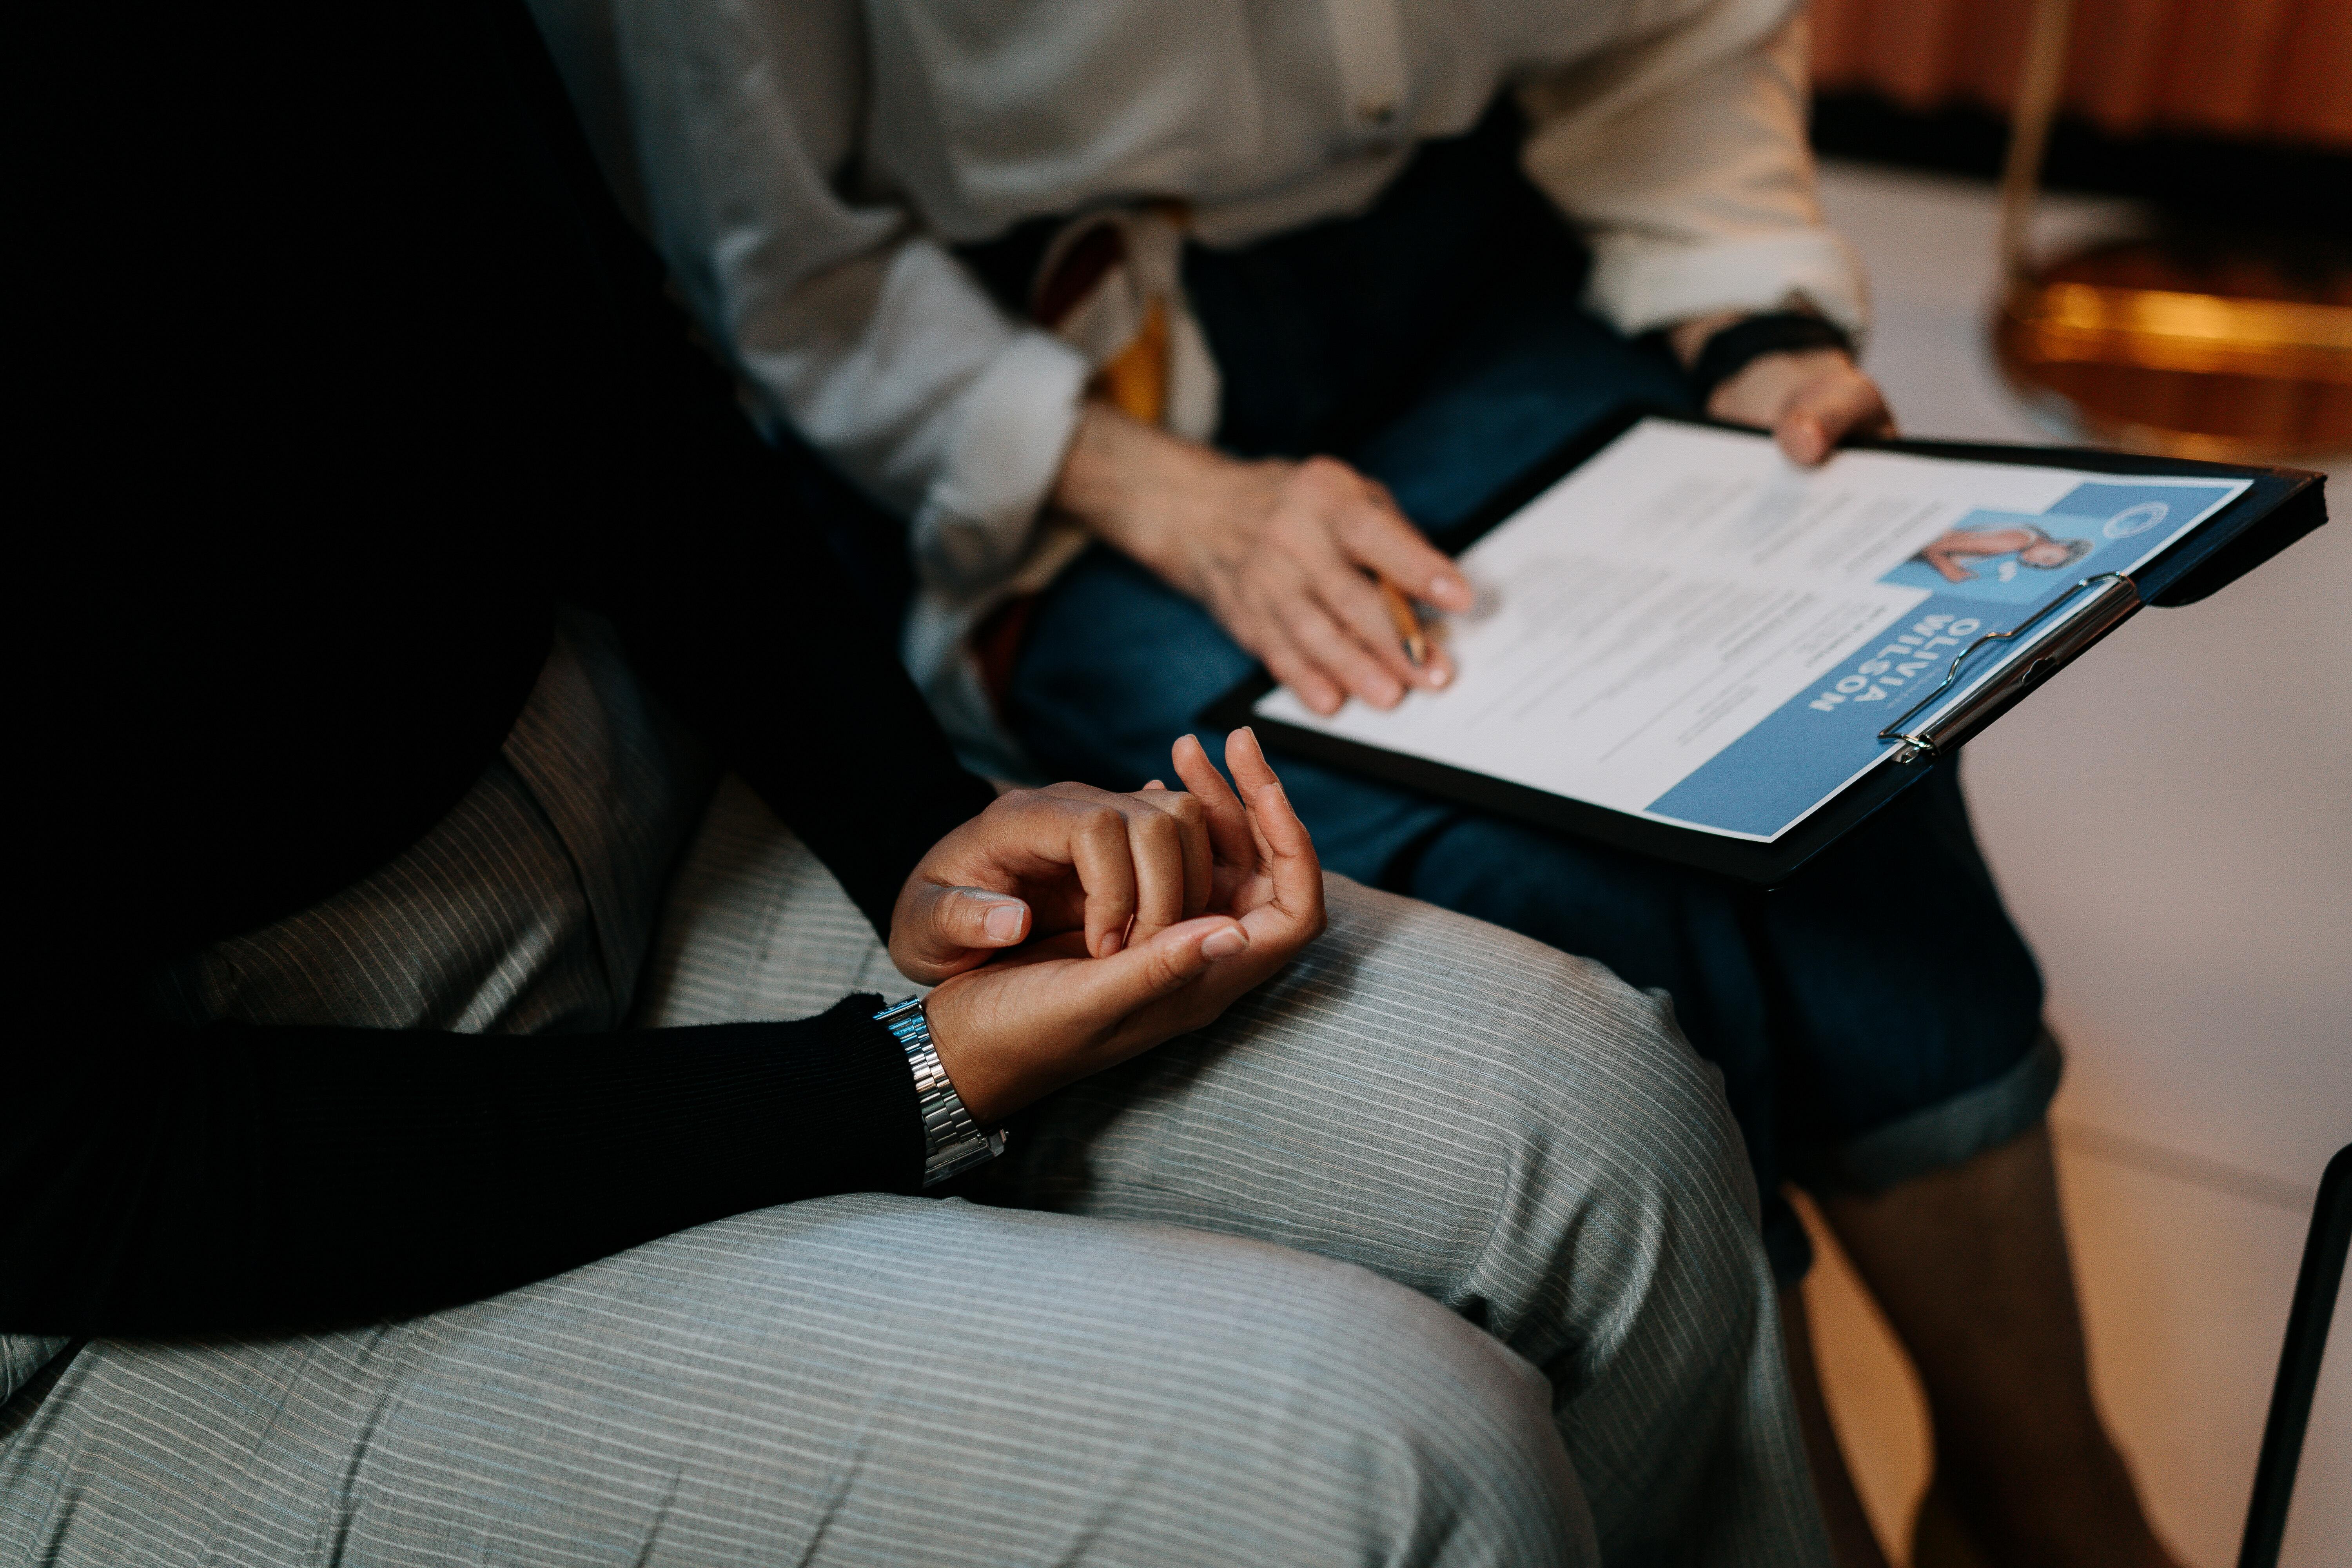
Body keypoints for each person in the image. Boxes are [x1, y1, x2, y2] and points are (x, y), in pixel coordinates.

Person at [5, 5, 1828, 1564]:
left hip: (620, 793)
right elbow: (75, 1173)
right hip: (133, 1229)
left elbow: (599, 360)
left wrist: (915, 828)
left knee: (1611, 1129)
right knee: (1390, 1462)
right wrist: (899, 1082)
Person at [519, 2, 2188, 1563]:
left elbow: (1668, 32)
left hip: (1463, 255)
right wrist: (1161, 492)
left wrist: (1750, 324)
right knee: (1549, 894)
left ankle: (2042, 1484)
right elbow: (778, 261)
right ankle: (1793, 1508)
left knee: (1838, 759)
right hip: (1040, 371)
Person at [1918, 524, 2097, 582]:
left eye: (2040, 565)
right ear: (2061, 544)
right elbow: (1932, 547)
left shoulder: (2025, 539)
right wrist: (1953, 573)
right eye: (2048, 558)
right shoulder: (2016, 541)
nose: (2035, 562)